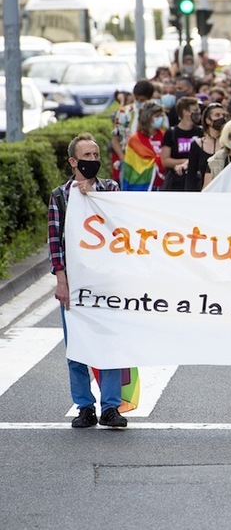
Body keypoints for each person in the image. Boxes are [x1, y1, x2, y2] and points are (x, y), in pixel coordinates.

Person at [49, 133, 128, 429]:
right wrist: (61, 280)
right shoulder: (60, 196)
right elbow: (55, 242)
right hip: (76, 281)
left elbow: (121, 227)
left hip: (106, 280)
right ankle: (84, 406)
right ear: (73, 161)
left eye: (96, 156)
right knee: (77, 347)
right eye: (87, 156)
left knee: (110, 343)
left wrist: (93, 197)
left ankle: (111, 407)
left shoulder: (111, 188)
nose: (93, 161)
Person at [160, 96, 201, 191]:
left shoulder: (201, 132)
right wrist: (188, 162)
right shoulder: (171, 133)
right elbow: (165, 161)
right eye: (195, 110)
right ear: (185, 112)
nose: (198, 113)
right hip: (176, 181)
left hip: (196, 180)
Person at [186, 102, 226, 191]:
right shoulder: (197, 144)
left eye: (223, 115)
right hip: (204, 190)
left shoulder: (229, 144)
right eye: (217, 115)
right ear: (208, 120)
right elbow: (191, 176)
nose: (221, 118)